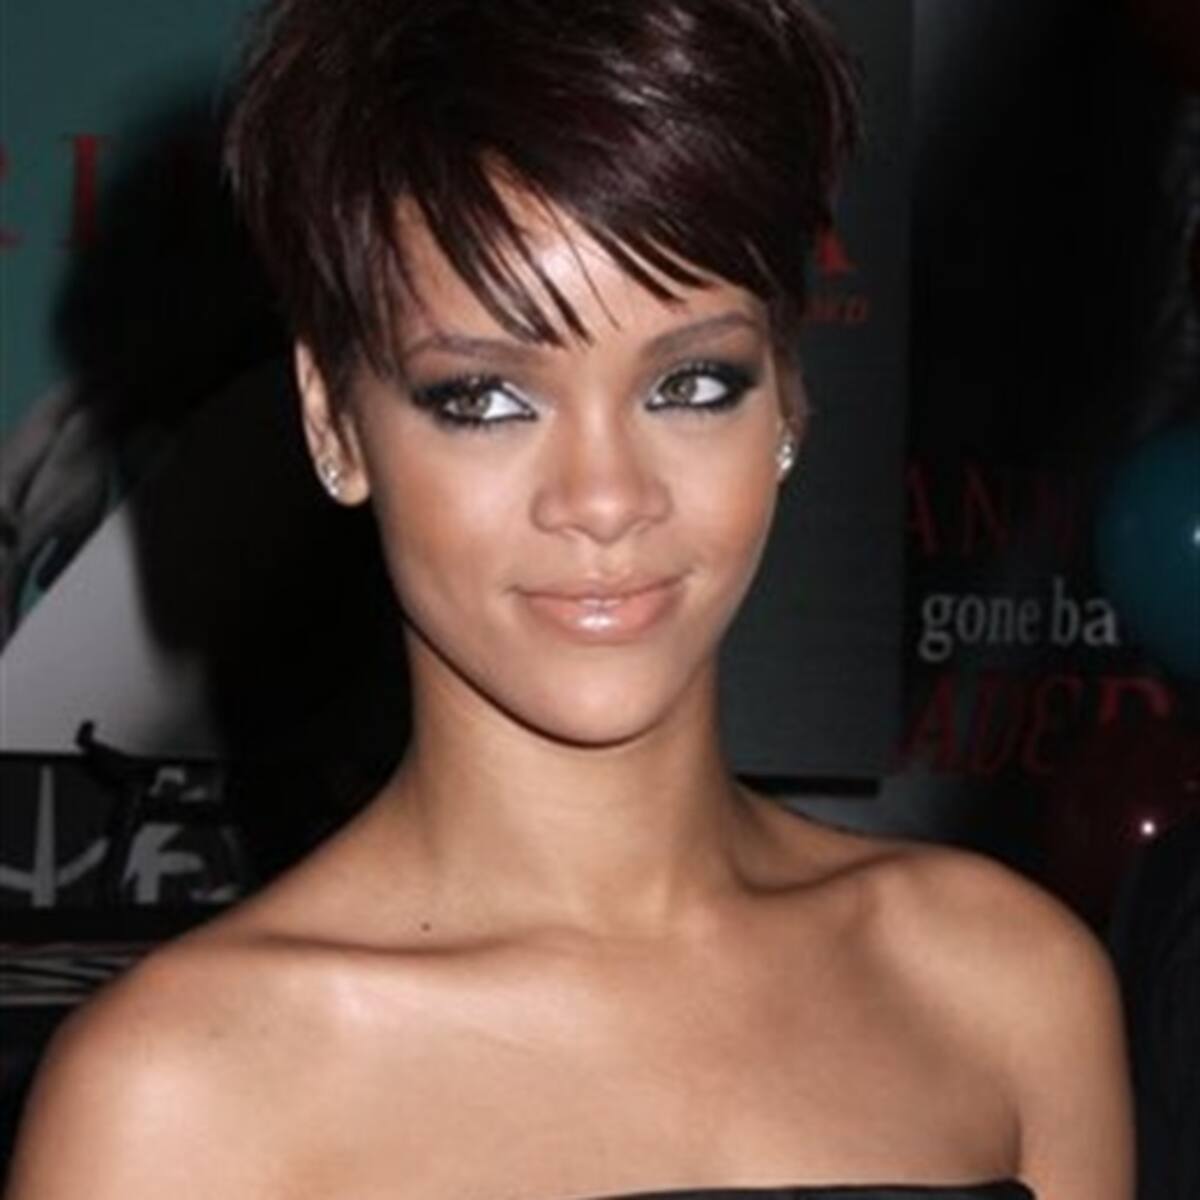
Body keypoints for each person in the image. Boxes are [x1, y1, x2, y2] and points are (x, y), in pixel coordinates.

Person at [5, 1, 1132, 1196]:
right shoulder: (173, 1101)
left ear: (789, 396)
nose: (604, 497)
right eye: (486, 399)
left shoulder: (1007, 988)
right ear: (334, 423)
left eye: (691, 383)